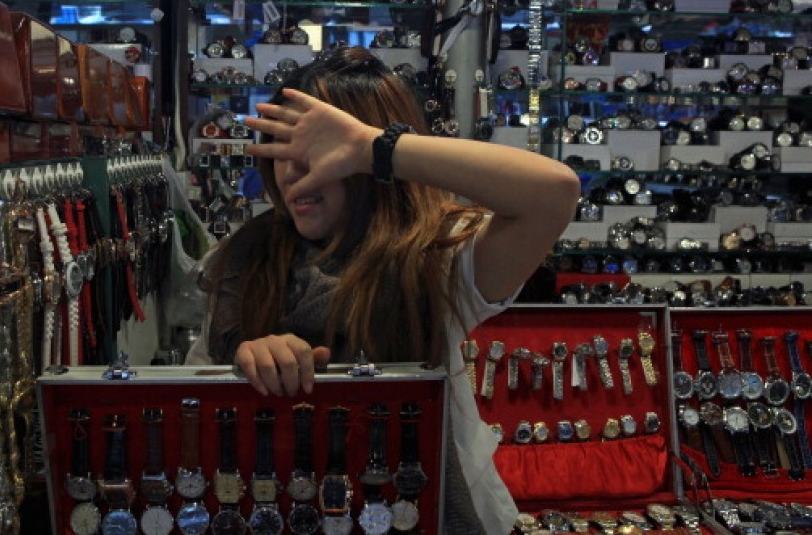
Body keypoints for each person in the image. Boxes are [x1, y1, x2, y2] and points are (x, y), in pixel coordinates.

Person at [184, 45, 580, 534]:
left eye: (317, 150)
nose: (293, 170)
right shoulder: (243, 258)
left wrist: (378, 148)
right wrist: (251, 360)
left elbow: (554, 191)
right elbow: (195, 399)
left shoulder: (438, 260)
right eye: (282, 148)